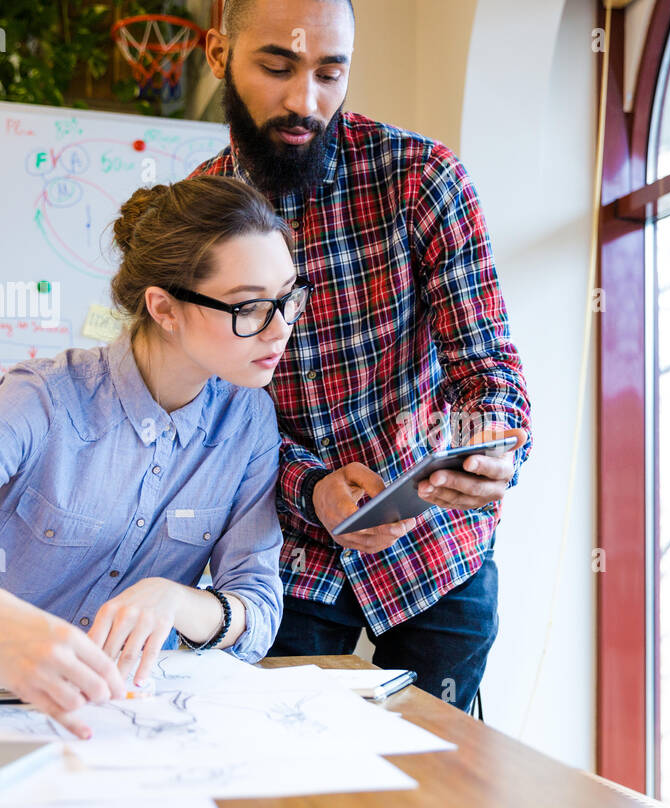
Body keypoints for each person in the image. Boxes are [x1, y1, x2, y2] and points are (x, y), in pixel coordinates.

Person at [191, 0, 532, 712]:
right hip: (287, 562)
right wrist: (311, 487)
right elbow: (206, 419)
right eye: (276, 67)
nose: (302, 101)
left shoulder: (423, 178)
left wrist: (491, 449)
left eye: (329, 72)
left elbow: (488, 369)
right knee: (289, 794)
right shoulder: (198, 215)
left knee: (433, 791)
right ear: (220, 56)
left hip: (438, 552)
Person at [0, 176, 300, 738]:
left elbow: (258, 614)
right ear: (165, 308)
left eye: (287, 299)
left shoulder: (248, 420)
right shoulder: (45, 397)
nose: (279, 329)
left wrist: (175, 599)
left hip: (117, 720)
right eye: (250, 306)